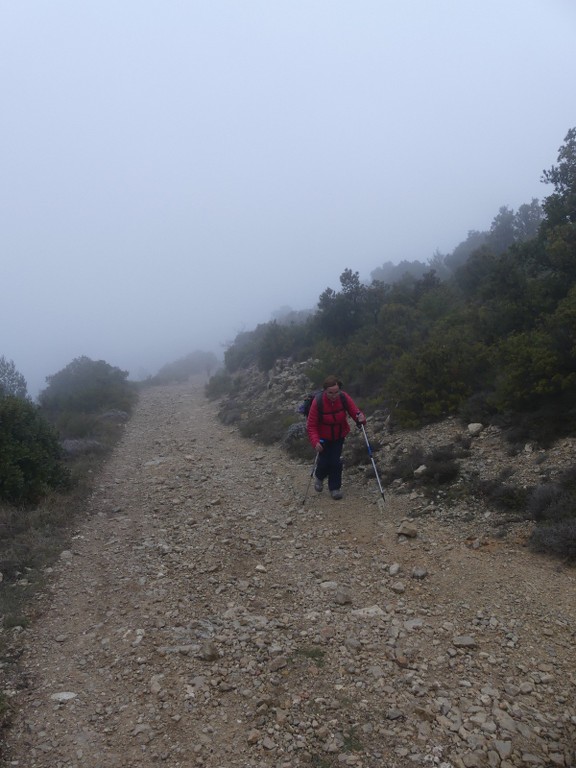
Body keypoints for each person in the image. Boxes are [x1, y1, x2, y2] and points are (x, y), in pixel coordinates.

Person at [306, 375, 366, 500]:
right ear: (325, 391)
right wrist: (315, 441)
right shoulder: (318, 402)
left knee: (335, 461)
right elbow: (311, 425)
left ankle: (334, 488)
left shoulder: (343, 397)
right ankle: (319, 476)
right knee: (324, 461)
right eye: (330, 393)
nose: (334, 395)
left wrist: (360, 418)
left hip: (339, 435)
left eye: (336, 392)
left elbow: (354, 411)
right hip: (323, 437)